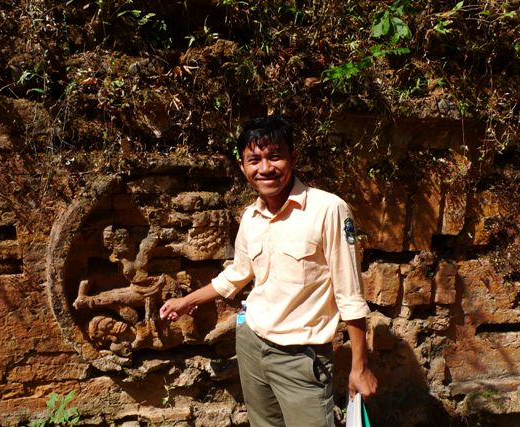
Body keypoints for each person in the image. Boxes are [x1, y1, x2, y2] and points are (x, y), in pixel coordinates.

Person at [159, 115, 377, 427]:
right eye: (254, 160)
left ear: (293, 158)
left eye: (275, 156)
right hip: (252, 342)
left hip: (302, 358)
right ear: (242, 166)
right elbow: (238, 273)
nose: (265, 168)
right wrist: (187, 301)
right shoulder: (251, 216)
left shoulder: (328, 210)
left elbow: (350, 294)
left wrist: (359, 365)